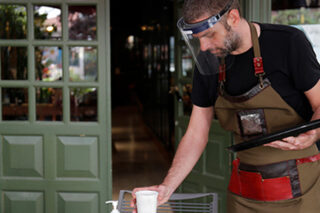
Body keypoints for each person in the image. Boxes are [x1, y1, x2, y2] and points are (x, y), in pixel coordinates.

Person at [131, 0, 320, 212]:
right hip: (244, 187)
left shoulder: (287, 42)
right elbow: (196, 132)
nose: (203, 47)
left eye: (210, 35)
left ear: (233, 17)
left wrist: (313, 133)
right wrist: (167, 187)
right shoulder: (210, 59)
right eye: (198, 39)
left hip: (298, 184)